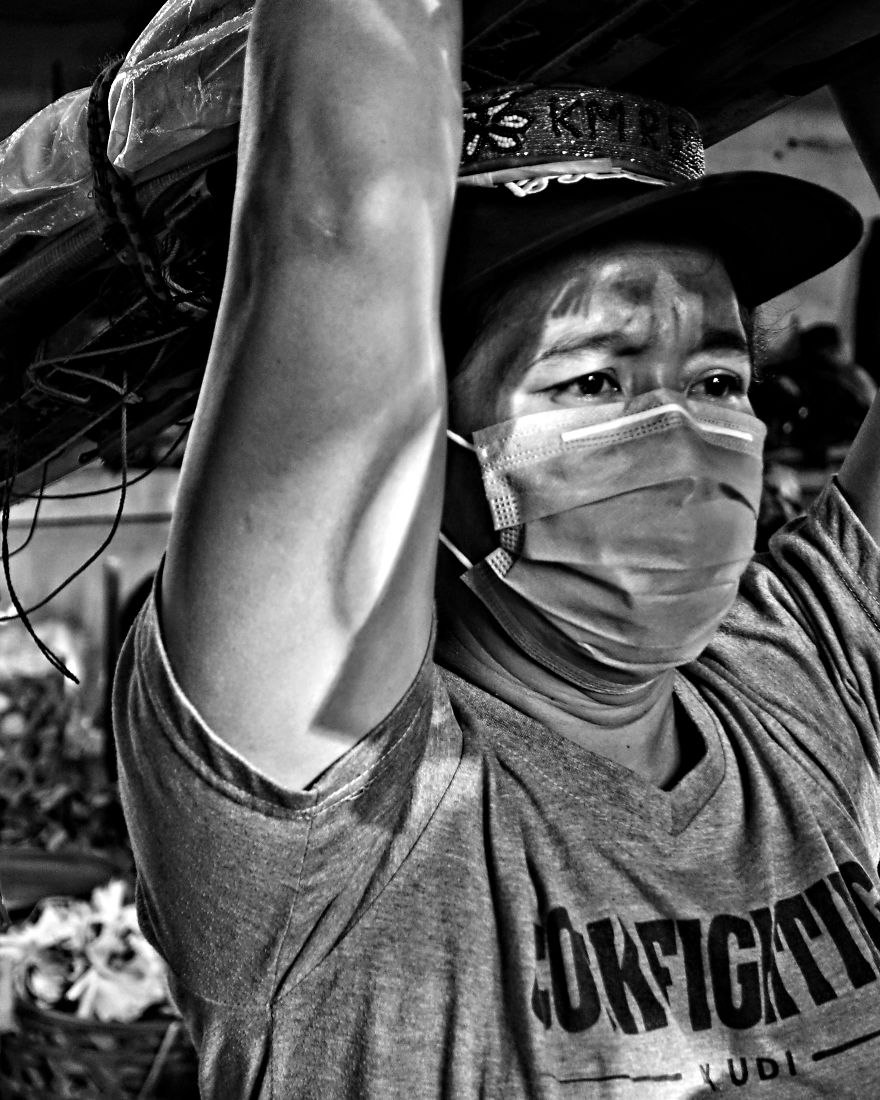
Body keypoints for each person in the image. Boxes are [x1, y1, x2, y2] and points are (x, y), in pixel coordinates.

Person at [112, 0, 880, 1095]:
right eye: (593, 380)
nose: (682, 434)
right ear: (439, 458)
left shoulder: (798, 670)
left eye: (716, 380)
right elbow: (342, 223)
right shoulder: (340, 811)